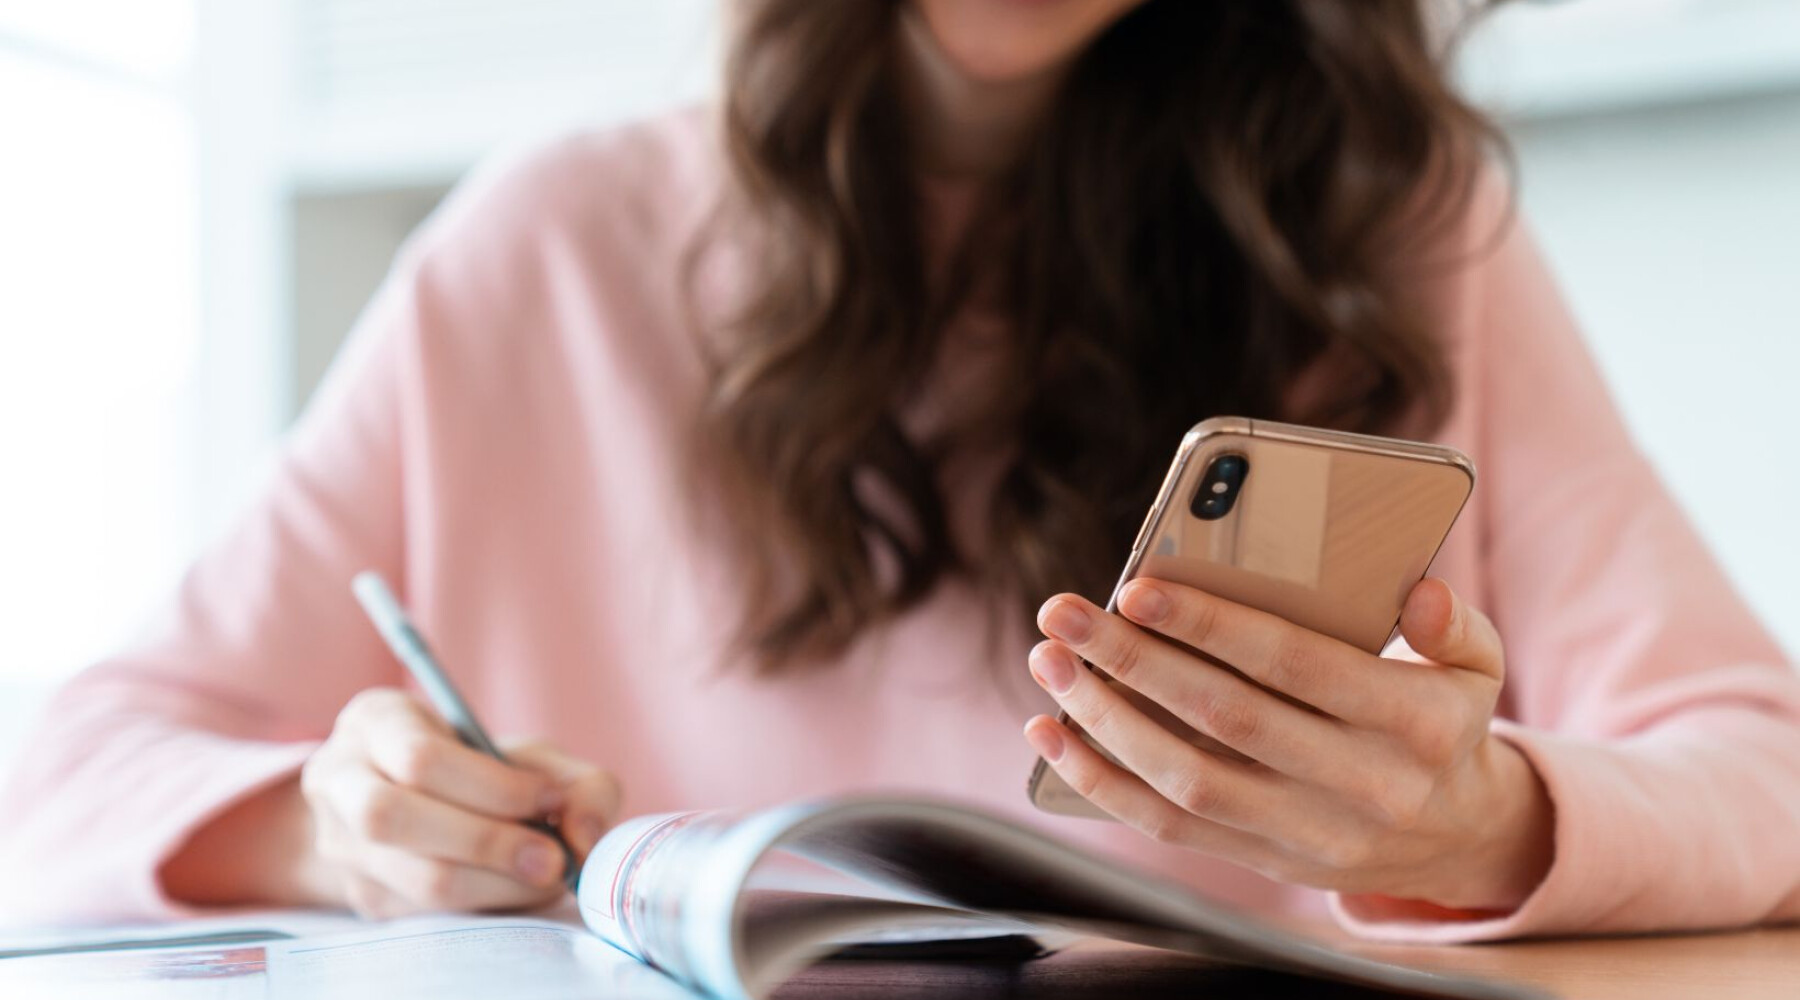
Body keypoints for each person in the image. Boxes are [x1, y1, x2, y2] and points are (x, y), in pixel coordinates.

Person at [4, 0, 1798, 942]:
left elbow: (1762, 771)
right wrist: (343, 831)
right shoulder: (539, 254)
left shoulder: (1400, 245)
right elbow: (54, 784)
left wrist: (1471, 824)